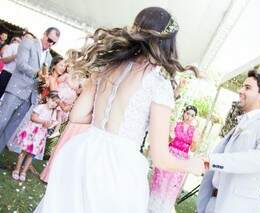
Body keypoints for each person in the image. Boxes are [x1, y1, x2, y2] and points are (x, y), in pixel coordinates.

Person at [33, 7, 206, 213]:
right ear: (167, 42)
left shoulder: (108, 66)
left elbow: (77, 115)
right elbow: (160, 157)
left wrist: (102, 119)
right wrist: (192, 165)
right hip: (119, 168)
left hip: (84, 152)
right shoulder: (159, 85)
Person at [197, 70, 260, 213]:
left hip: (235, 207)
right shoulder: (241, 123)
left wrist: (214, 160)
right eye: (242, 86)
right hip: (212, 203)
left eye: (247, 88)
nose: (240, 90)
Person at [0, 27, 60, 156]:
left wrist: (43, 82)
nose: (50, 44)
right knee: (1, 121)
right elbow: (21, 64)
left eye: (54, 42)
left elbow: (41, 76)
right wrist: (38, 73)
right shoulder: (29, 42)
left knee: (10, 128)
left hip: (30, 96)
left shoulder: (49, 57)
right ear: (44, 34)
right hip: (17, 89)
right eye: (49, 40)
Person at [149, 105, 199, 212]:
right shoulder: (175, 124)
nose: (189, 117)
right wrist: (170, 137)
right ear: (184, 113)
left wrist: (194, 142)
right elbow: (166, 141)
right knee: (161, 179)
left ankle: (164, 208)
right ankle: (152, 204)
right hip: (170, 154)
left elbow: (193, 149)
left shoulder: (194, 131)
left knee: (172, 184)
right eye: (187, 113)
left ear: (194, 118)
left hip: (182, 160)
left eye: (192, 115)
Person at [11, 91, 60, 182]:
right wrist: (43, 121)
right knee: (24, 152)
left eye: (56, 103)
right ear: (47, 98)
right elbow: (33, 117)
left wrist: (50, 125)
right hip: (32, 132)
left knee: (31, 154)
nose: (54, 104)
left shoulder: (53, 113)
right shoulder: (41, 107)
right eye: (53, 101)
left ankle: (23, 172)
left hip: (40, 135)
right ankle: (17, 170)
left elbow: (48, 125)